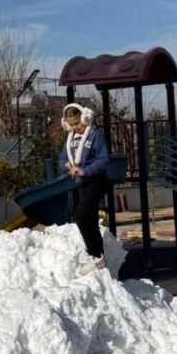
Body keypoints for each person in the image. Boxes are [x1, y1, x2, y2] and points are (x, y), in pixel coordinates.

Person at [62, 103, 111, 276]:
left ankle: (95, 254)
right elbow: (62, 157)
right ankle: (98, 257)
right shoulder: (71, 138)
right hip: (82, 182)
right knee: (89, 218)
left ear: (85, 118)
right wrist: (67, 164)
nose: (76, 127)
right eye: (72, 124)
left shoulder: (95, 135)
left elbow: (104, 159)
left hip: (96, 180)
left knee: (80, 216)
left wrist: (85, 171)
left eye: (78, 123)